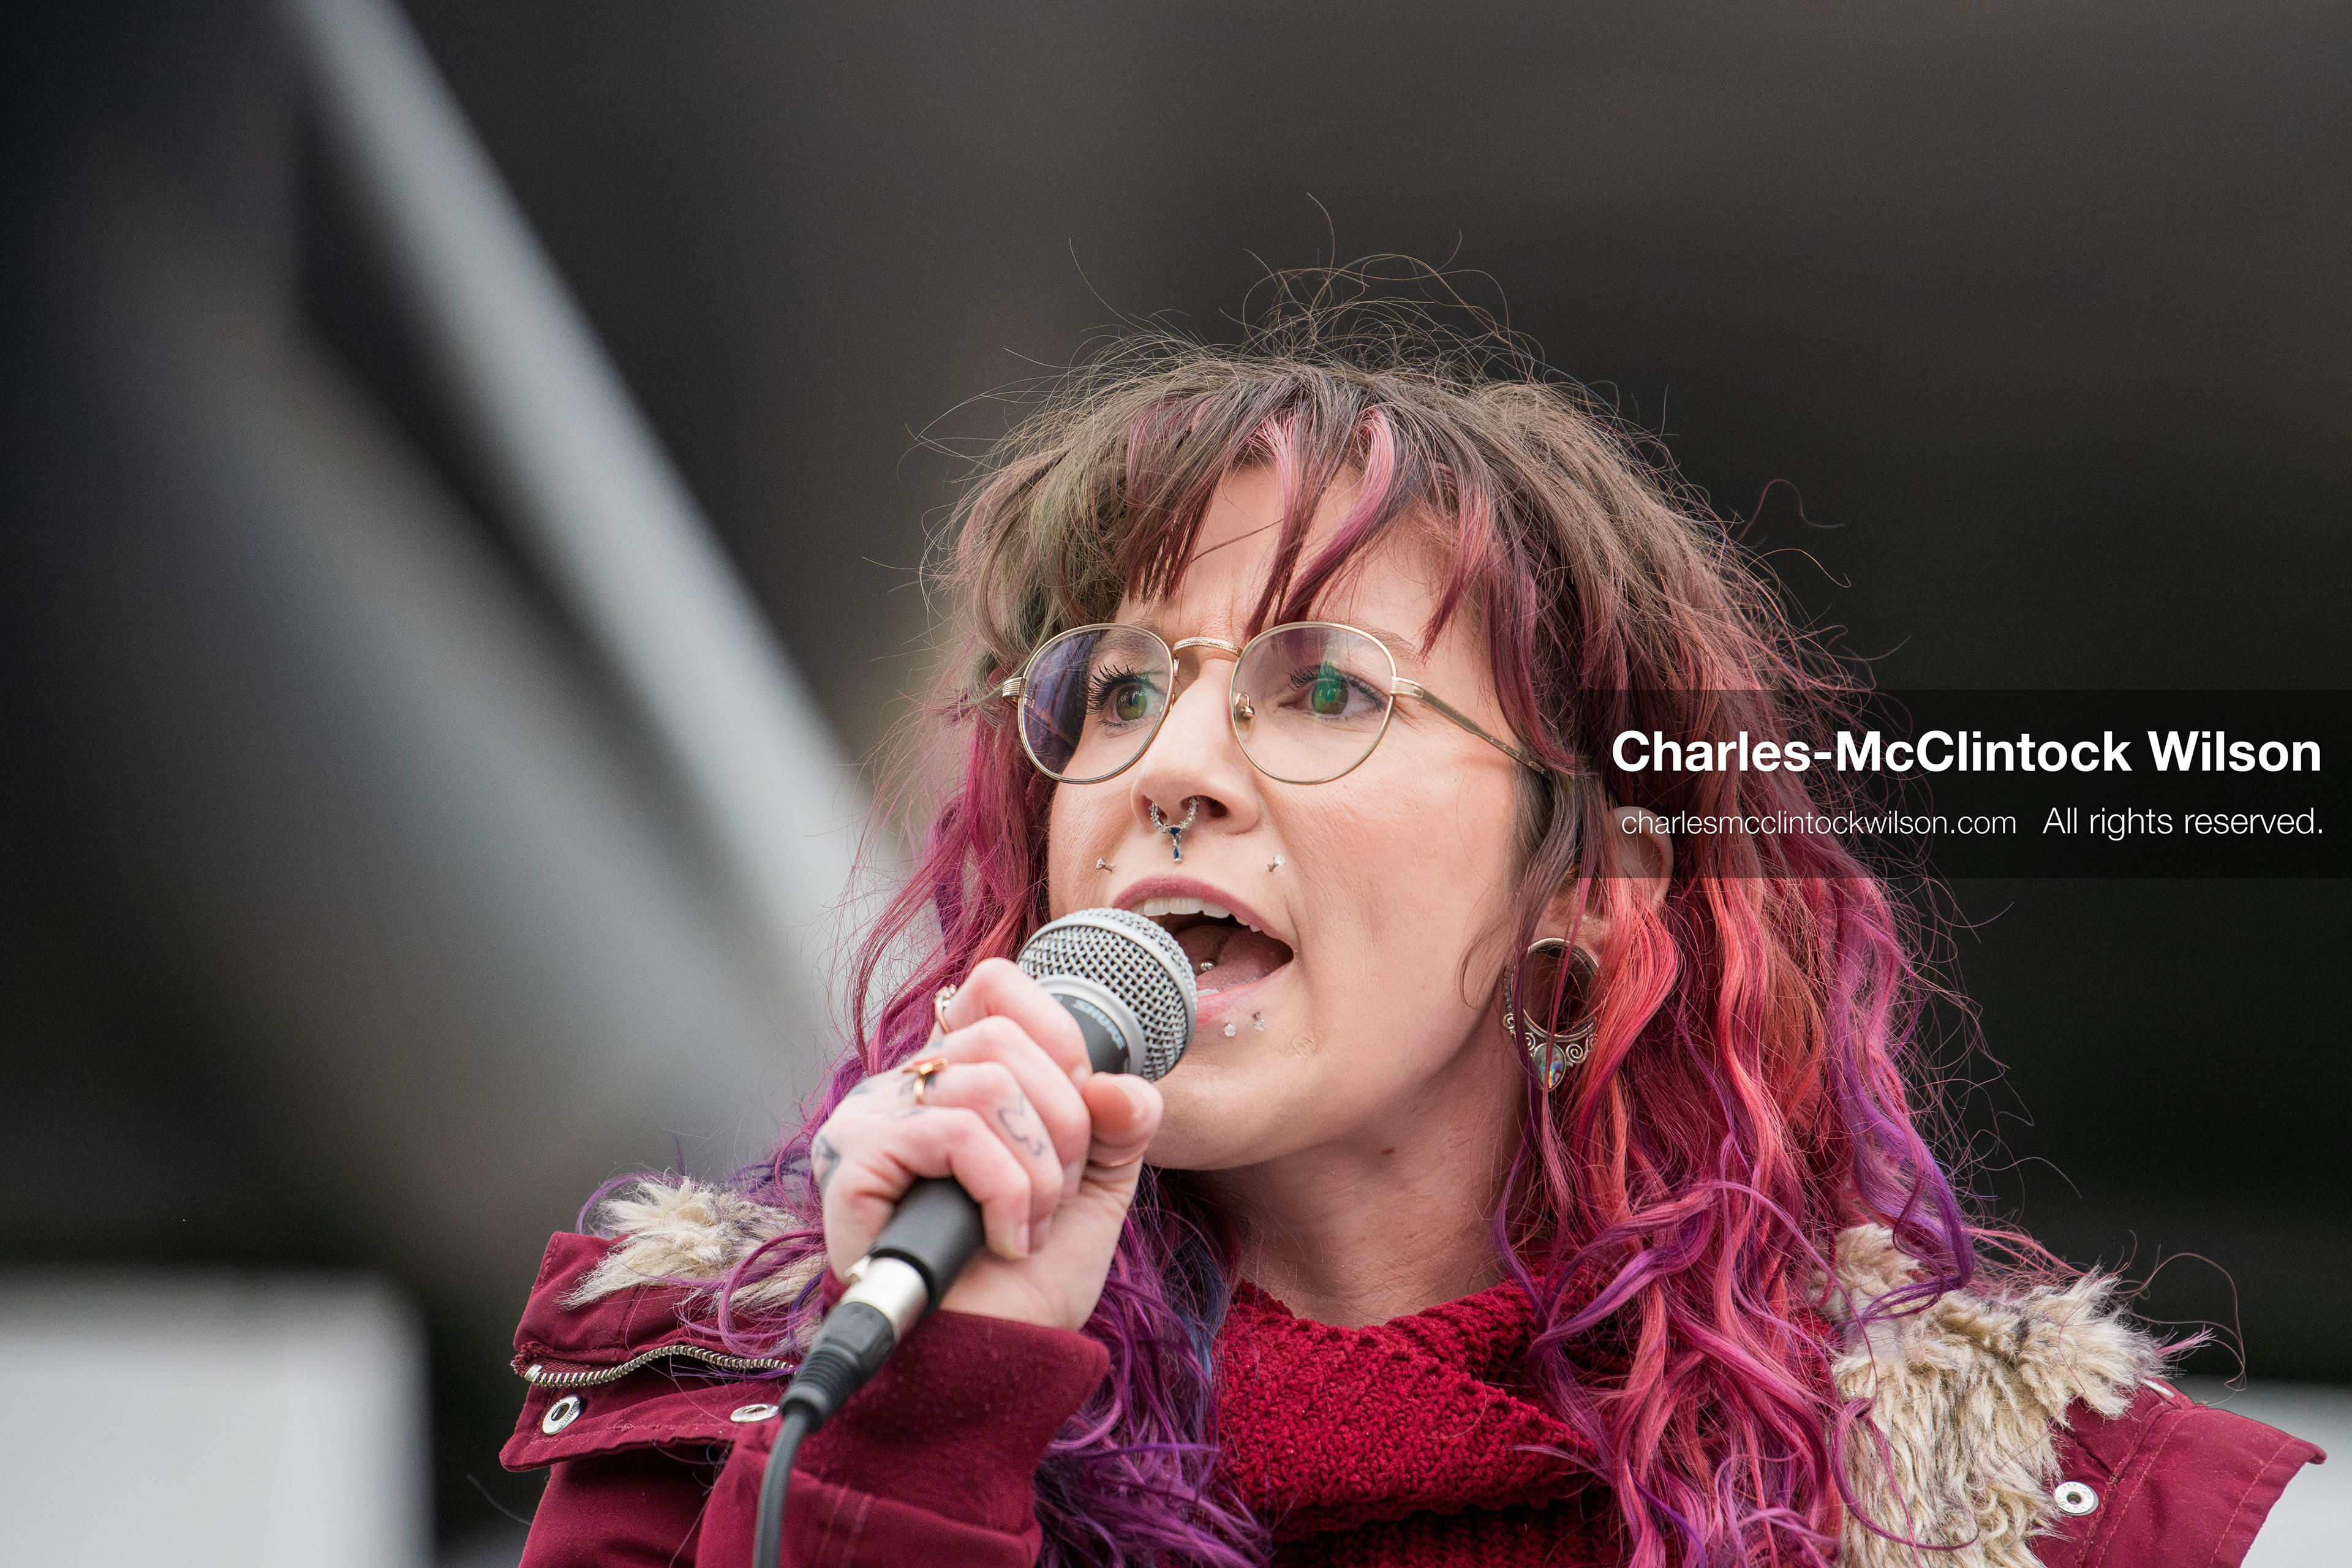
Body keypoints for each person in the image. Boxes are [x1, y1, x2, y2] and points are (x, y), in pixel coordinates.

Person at [499, 292, 2321, 1567]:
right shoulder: (755, 1419)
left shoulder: (2020, 1524)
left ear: (1585, 894)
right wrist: (927, 1421)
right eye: (1116, 689)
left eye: (1323, 690)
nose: (1172, 768)